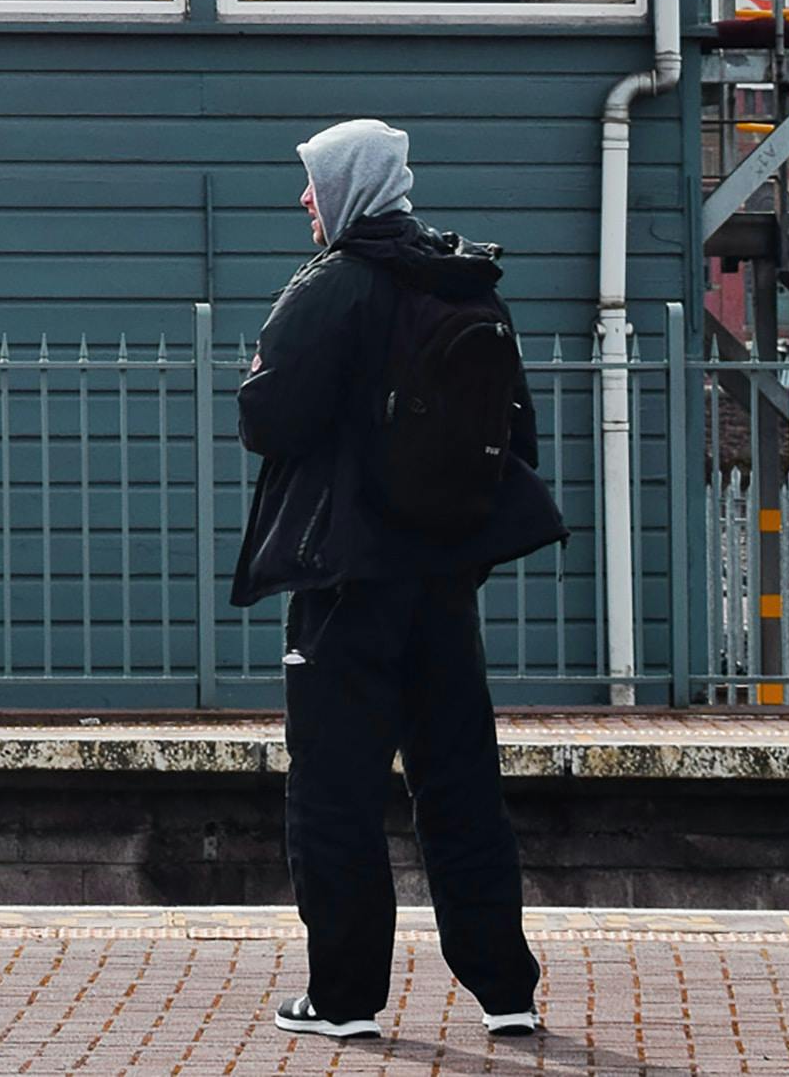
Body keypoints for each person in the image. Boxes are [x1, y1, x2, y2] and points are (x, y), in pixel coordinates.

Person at [231, 118, 566, 1045]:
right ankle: (505, 989)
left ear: (346, 188)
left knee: (333, 793)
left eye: (311, 182)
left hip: (345, 581)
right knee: (459, 781)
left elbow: (267, 418)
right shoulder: (464, 282)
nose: (303, 199)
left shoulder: (334, 285)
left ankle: (342, 999)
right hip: (442, 577)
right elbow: (514, 435)